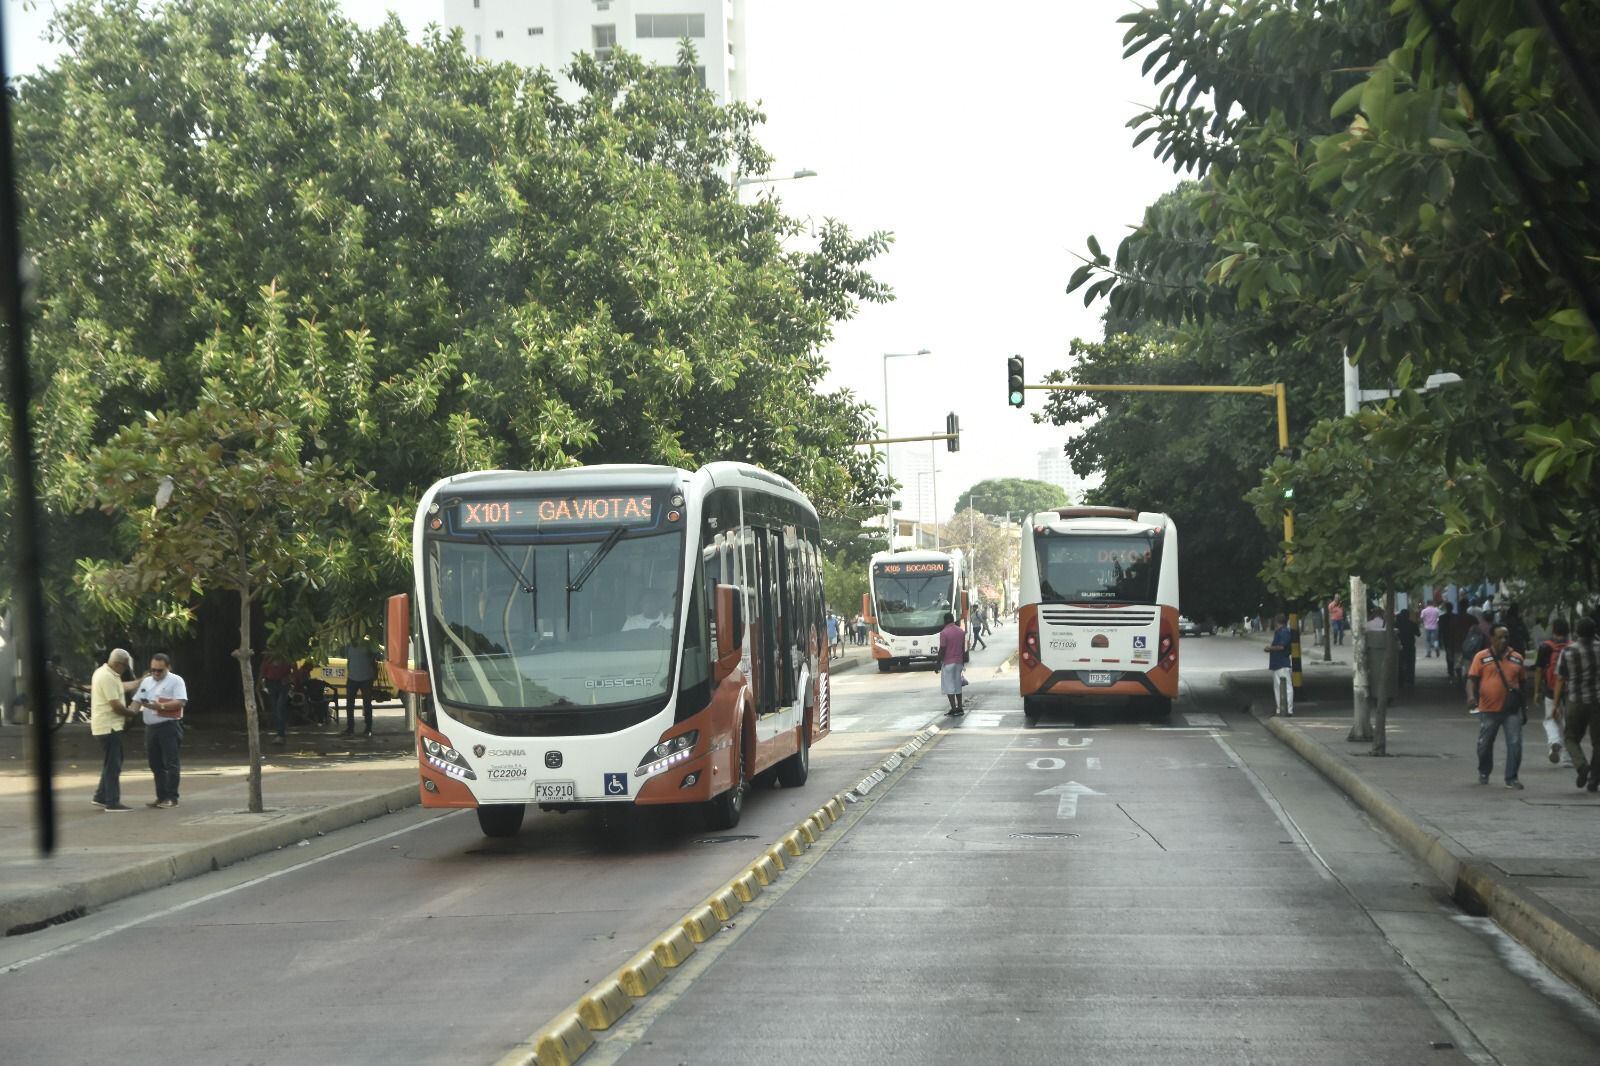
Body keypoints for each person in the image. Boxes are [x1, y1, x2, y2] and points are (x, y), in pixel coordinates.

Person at [1466, 625, 1528, 789]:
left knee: (1515, 743)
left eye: (1506, 637)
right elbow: (1471, 679)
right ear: (1492, 638)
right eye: (1500, 637)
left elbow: (1522, 683)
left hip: (1511, 710)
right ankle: (1484, 771)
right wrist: (1471, 697)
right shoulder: (1481, 657)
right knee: (1484, 744)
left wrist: (1524, 706)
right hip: (1488, 709)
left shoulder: (1517, 658)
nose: (1504, 640)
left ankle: (1511, 777)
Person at [131, 652, 187, 808]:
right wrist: (126, 714)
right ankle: (161, 796)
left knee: (171, 763)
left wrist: (160, 706)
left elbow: (181, 702)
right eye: (153, 670)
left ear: (168, 667)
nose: (156, 673)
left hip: (168, 725)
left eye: (159, 670)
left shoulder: (176, 681)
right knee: (155, 764)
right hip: (150, 727)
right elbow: (136, 702)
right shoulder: (147, 681)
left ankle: (172, 797)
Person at [89, 648, 139, 812]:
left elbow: (121, 687)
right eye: (124, 667)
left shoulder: (104, 673)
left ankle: (101, 796)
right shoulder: (107, 677)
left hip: (105, 726)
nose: (124, 670)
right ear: (118, 664)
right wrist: (131, 712)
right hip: (108, 726)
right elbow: (116, 705)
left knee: (111, 762)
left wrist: (140, 681)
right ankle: (112, 801)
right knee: (114, 764)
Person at [1556, 616, 1600, 791]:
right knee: (1598, 743)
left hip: (1576, 701)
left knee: (1570, 737)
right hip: (1598, 701)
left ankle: (1582, 766)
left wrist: (1555, 704)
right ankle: (1594, 780)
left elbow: (1560, 677)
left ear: (1576, 632)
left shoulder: (1568, 651)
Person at [1534, 618, 1573, 767]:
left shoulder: (1546, 647)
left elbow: (1538, 670)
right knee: (1566, 723)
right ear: (1568, 631)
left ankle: (1554, 742)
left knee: (1550, 719)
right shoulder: (1573, 646)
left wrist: (1536, 691)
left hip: (1551, 688)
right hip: (1570, 690)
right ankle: (1567, 758)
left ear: (1553, 630)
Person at [341, 639, 378, 738]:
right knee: (350, 704)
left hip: (366, 678)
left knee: (367, 704)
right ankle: (350, 728)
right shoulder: (349, 645)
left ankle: (368, 728)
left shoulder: (368, 644)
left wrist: (375, 674)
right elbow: (349, 661)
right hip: (353, 678)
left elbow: (374, 661)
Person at [261, 653, 294, 744]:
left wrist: (289, 680)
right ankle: (280, 733)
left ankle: (281, 735)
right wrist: (262, 684)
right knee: (276, 709)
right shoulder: (268, 657)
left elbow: (294, 671)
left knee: (280, 707)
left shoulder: (286, 657)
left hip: (283, 684)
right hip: (271, 684)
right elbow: (263, 671)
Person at [1265, 613, 1294, 716]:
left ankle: (1288, 709)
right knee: (1277, 687)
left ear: (1277, 622)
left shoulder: (1284, 632)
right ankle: (1280, 708)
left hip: (1282, 663)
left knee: (1286, 687)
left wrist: (1270, 648)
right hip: (1277, 663)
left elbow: (1282, 647)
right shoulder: (1279, 632)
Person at [938, 612, 966, 717]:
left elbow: (943, 649)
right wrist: (962, 661)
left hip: (948, 663)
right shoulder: (961, 631)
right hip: (959, 662)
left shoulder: (944, 633)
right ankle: (960, 708)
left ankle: (954, 709)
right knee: (958, 685)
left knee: (949, 686)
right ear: (953, 619)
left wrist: (937, 662)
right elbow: (963, 648)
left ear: (945, 621)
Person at [1394, 608, 1419, 688]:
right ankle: (1410, 680)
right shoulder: (1412, 624)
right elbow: (1418, 634)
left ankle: (1401, 680)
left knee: (1400, 663)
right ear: (1408, 616)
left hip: (1400, 646)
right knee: (1410, 664)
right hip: (1410, 646)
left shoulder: (1397, 624)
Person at [1440, 601, 1462, 681]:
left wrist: (1440, 641)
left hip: (1448, 638)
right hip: (1454, 638)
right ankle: (1454, 668)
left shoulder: (1442, 618)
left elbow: (1440, 630)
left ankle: (1450, 669)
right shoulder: (1456, 617)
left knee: (1449, 653)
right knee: (1455, 654)